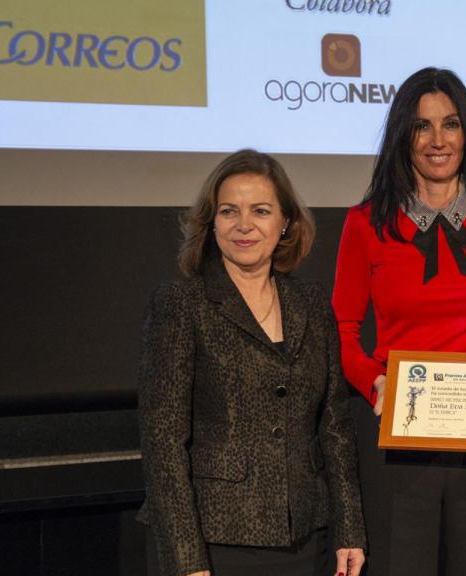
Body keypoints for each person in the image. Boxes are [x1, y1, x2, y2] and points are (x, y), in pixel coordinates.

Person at [332, 67, 466, 575]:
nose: (437, 140)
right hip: (400, 441)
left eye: (450, 124)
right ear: (402, 137)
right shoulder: (365, 223)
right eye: (421, 126)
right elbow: (342, 332)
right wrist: (376, 381)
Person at [136, 149, 366, 576]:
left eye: (260, 211)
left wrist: (349, 528)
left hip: (307, 539)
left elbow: (334, 426)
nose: (244, 225)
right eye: (229, 211)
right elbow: (163, 442)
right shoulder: (181, 303)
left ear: (285, 222)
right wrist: (186, 559)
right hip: (215, 542)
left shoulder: (311, 302)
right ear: (211, 222)